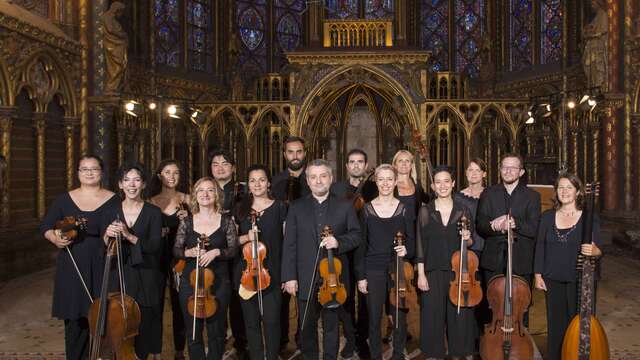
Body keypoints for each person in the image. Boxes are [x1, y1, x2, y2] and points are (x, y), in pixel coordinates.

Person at [281, 159, 361, 360]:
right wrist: (289, 277)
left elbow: (356, 235)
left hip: (334, 279)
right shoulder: (296, 207)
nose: (318, 181)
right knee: (306, 326)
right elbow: (289, 245)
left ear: (331, 178)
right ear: (307, 181)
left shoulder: (345, 206)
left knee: (332, 327)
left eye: (323, 176)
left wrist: (338, 242)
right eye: (313, 177)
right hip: (305, 277)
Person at [40, 155, 118, 360]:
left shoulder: (114, 199)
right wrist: (55, 238)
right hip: (72, 264)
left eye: (94, 169)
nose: (89, 173)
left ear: (102, 172)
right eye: (84, 169)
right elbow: (46, 226)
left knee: (105, 318)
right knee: (75, 321)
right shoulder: (64, 199)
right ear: (78, 173)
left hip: (104, 263)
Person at [534, 173, 603, 360]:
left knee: (578, 323)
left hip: (579, 278)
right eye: (560, 188)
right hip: (552, 277)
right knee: (555, 325)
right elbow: (540, 245)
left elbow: (598, 249)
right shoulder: (547, 216)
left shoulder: (589, 217)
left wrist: (595, 250)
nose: (564, 192)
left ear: (578, 191)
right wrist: (538, 274)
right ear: (556, 192)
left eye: (569, 188)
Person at [101, 163, 164, 359]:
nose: (132, 184)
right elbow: (104, 246)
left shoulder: (153, 212)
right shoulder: (110, 211)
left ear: (143, 184)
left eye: (137, 180)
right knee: (118, 325)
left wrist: (129, 235)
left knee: (143, 326)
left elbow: (155, 247)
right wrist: (106, 235)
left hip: (146, 275)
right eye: (126, 180)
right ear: (120, 184)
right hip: (118, 274)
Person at [174, 177, 239, 360]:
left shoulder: (226, 222)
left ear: (216, 194)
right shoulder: (187, 222)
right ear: (195, 195)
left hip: (219, 282)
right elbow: (176, 250)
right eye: (201, 190)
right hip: (191, 283)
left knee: (217, 332)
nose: (205, 194)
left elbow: (233, 249)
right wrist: (189, 252)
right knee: (193, 332)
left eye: (210, 190)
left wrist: (217, 251)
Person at [415, 166, 476, 360]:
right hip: (432, 270)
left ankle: (459, 351)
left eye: (446, 181)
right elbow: (420, 244)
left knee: (459, 315)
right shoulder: (426, 210)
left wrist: (467, 237)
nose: (442, 186)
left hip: (457, 271)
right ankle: (434, 353)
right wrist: (421, 274)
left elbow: (470, 242)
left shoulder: (463, 210)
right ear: (432, 186)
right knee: (432, 315)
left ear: (453, 184)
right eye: (438, 182)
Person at [355, 164, 414, 360]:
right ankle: (375, 356)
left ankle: (398, 354)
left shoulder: (404, 209)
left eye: (390, 179)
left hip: (398, 269)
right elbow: (361, 246)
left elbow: (413, 241)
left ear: (396, 181)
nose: (386, 183)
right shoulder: (367, 210)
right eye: (381, 179)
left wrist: (407, 248)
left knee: (399, 316)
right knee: (374, 319)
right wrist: (361, 276)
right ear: (376, 181)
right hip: (373, 269)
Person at [235, 165, 287, 360]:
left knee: (272, 321)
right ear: (248, 185)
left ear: (268, 183)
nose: (257, 184)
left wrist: (286, 274)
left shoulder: (280, 207)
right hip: (246, 272)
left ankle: (272, 356)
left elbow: (287, 241)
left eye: (261, 180)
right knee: (251, 322)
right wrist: (246, 237)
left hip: (272, 271)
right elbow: (232, 241)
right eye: (253, 180)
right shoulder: (240, 209)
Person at [331, 148, 376, 359]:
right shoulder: (337, 189)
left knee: (367, 296)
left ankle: (363, 338)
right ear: (347, 166)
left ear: (366, 166)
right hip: (345, 248)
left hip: (368, 248)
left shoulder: (374, 188)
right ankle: (350, 338)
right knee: (345, 297)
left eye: (360, 162)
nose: (356, 165)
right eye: (352, 162)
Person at [476, 153, 541, 284]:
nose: (508, 171)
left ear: (521, 172)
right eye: (504, 167)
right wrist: (495, 226)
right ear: (500, 170)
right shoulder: (488, 193)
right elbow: (480, 225)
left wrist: (514, 223)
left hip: (521, 262)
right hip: (493, 262)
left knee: (520, 304)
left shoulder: (533, 196)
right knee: (492, 304)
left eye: (513, 168)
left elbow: (534, 229)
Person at [271, 136, 310, 352]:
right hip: (281, 246)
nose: (295, 156)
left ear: (305, 153)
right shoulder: (276, 181)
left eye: (299, 152)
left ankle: (303, 339)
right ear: (284, 154)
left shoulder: (313, 178)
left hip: (305, 246)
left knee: (304, 297)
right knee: (281, 298)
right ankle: (282, 340)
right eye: (290, 152)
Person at [149, 159, 190, 359]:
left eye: (176, 173)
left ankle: (179, 350)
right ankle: (155, 351)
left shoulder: (188, 200)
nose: (172, 177)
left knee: (179, 304)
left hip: (179, 258)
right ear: (159, 176)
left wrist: (187, 220)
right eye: (167, 172)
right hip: (156, 258)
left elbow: (196, 231)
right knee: (155, 304)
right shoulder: (150, 202)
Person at [210, 149, 248, 358]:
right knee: (216, 298)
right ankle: (219, 342)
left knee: (238, 299)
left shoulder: (243, 189)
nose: (220, 167)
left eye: (225, 163)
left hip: (239, 253)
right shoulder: (206, 189)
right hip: (215, 254)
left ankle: (241, 345)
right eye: (215, 164)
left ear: (233, 167)